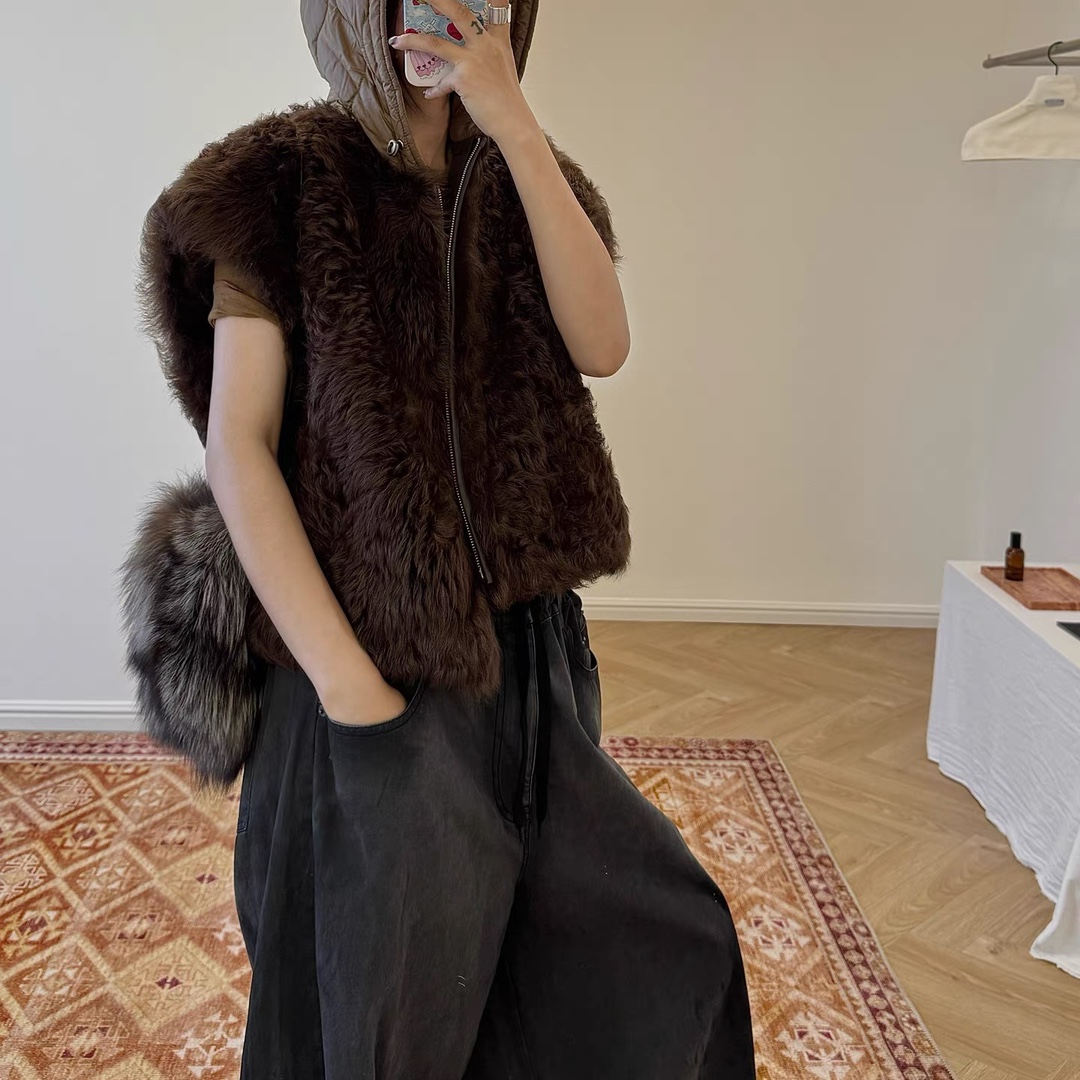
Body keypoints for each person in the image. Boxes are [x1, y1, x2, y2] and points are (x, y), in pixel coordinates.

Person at [120, 0, 756, 1075]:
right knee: (385, 1020)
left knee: (643, 954)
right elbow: (240, 447)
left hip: (534, 668)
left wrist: (515, 130)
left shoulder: (527, 175)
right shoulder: (274, 186)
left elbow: (604, 342)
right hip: (369, 674)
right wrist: (349, 692)